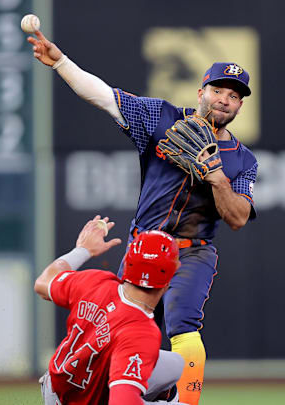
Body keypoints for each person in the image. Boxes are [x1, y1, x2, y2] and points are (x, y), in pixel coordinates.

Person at [28, 31, 257, 404]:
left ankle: (184, 402)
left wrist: (217, 178)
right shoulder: (162, 117)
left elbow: (238, 217)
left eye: (234, 96)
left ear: (239, 107)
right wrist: (61, 63)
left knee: (183, 326)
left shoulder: (243, 159)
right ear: (201, 91)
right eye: (219, 90)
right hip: (143, 245)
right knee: (123, 328)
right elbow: (104, 96)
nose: (225, 100)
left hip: (191, 252)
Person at [35, 215, 188, 405]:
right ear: (171, 276)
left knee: (175, 365)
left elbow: (43, 283)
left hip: (57, 384)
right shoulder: (141, 332)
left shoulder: (95, 282)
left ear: (128, 263)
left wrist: (82, 250)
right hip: (83, 401)